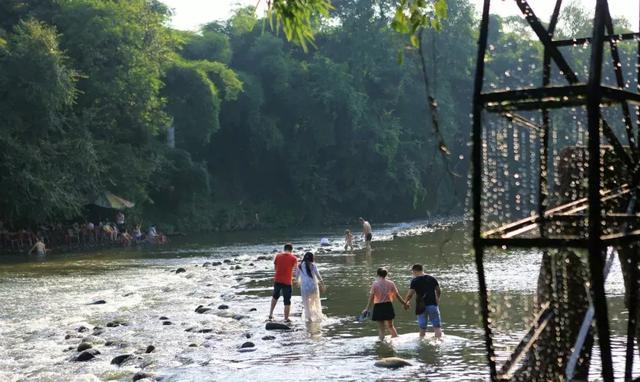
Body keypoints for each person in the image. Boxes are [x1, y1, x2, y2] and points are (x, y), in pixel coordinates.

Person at [362, 267, 409, 341]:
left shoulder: (375, 284)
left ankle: (381, 343)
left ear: (377, 274)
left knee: (381, 329)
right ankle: (396, 341)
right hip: (388, 306)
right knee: (391, 326)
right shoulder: (391, 283)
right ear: (386, 274)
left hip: (378, 306)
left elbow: (371, 297)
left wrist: (367, 308)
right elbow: (397, 295)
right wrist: (404, 303)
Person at [404, 264, 443, 339]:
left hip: (421, 307)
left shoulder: (415, 281)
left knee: (422, 328)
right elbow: (438, 290)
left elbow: (410, 294)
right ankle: (439, 341)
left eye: (413, 272)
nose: (413, 274)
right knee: (437, 327)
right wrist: (437, 299)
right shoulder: (432, 278)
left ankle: (421, 342)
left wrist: (406, 302)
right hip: (432, 305)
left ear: (415, 271)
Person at [269, 243, 298, 322]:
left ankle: (271, 314)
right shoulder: (294, 258)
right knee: (287, 300)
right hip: (287, 282)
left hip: (277, 280)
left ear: (284, 249)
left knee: (275, 296)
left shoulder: (277, 256)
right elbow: (296, 271)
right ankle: (286, 318)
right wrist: (297, 279)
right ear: (291, 250)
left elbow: (275, 268)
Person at [294, 252, 326, 322]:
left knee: (307, 304)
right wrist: (323, 285)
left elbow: (296, 277)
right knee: (315, 301)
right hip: (313, 287)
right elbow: (318, 275)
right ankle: (317, 316)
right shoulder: (313, 265)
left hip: (305, 288)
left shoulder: (299, 266)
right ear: (312, 258)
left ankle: (309, 318)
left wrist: (298, 283)